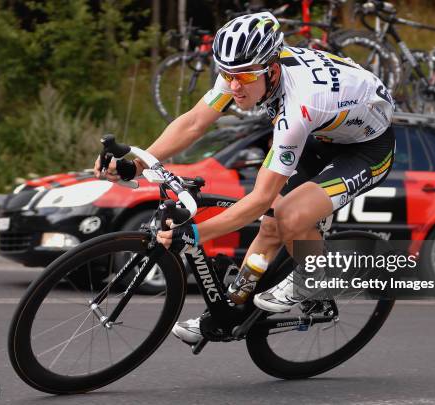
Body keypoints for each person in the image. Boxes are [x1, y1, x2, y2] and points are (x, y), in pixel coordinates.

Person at [94, 12, 396, 345]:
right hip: (323, 135)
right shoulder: (245, 69)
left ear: (272, 68)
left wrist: (194, 233)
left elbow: (260, 199)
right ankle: (231, 310)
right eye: (227, 75)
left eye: (245, 78)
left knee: (288, 215)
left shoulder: (298, 107)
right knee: (270, 225)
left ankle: (316, 274)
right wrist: (136, 165)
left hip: (367, 149)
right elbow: (194, 122)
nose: (235, 86)